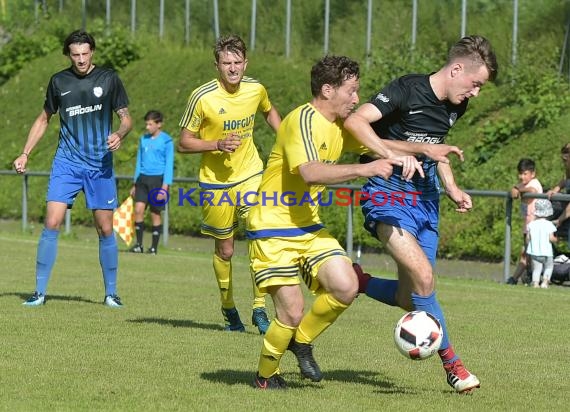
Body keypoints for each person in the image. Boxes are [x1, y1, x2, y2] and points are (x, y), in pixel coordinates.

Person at [248, 54, 453, 389]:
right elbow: (311, 173)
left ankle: (301, 341)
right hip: (271, 228)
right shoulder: (301, 120)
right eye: (352, 91)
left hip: (308, 227)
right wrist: (364, 169)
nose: (357, 99)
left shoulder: (339, 126)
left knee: (347, 285)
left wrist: (421, 151)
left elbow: (378, 144)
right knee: (292, 311)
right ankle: (266, 376)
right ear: (328, 90)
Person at [343, 35, 498, 394]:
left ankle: (359, 282)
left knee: (407, 297)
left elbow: (435, 150)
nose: (476, 93)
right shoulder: (406, 89)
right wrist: (396, 153)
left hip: (425, 200)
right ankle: (454, 367)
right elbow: (355, 124)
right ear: (457, 69)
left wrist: (452, 187)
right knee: (425, 279)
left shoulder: (456, 107)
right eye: (475, 84)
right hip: (386, 195)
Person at [12, 30, 132, 307]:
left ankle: (111, 293)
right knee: (51, 222)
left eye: (85, 53)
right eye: (75, 54)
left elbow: (126, 118)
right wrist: (25, 153)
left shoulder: (109, 79)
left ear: (92, 52)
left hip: (99, 165)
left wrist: (120, 134)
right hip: (66, 163)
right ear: (69, 54)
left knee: (104, 229)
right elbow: (44, 119)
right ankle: (39, 293)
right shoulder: (58, 81)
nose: (80, 59)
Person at [178, 34, 281, 334]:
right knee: (225, 251)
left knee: (259, 233)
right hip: (215, 183)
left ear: (245, 63)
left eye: (237, 62)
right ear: (217, 65)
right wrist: (216, 144)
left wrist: (286, 136)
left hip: (250, 173)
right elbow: (184, 142)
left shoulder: (255, 89)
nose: (233, 68)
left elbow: (268, 110)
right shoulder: (202, 97)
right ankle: (228, 309)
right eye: (227, 63)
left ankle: (259, 308)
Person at [129, 110, 174, 255]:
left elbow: (169, 165)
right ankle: (139, 245)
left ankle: (154, 248)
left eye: (150, 124)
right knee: (138, 210)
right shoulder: (143, 139)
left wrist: (165, 186)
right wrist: (135, 183)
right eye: (146, 124)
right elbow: (139, 162)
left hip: (157, 181)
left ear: (159, 124)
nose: (147, 127)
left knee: (155, 213)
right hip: (142, 179)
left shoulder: (167, 141)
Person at [506, 158, 543, 285]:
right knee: (526, 254)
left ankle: (516, 279)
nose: (522, 176)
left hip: (536, 225)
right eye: (520, 173)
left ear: (533, 174)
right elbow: (513, 193)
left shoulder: (534, 183)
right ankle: (518, 278)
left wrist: (518, 189)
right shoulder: (524, 185)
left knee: (529, 254)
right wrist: (516, 188)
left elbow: (533, 191)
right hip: (527, 226)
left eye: (525, 173)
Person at [526, 199, 557, 288]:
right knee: (549, 267)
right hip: (547, 252)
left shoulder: (531, 224)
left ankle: (535, 283)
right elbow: (551, 238)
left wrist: (528, 246)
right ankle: (545, 282)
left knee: (536, 269)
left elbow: (528, 238)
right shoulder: (549, 224)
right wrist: (556, 240)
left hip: (535, 252)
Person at [546, 143, 570, 241]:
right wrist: (555, 190)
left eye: (565, 159)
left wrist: (560, 220)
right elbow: (564, 181)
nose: (564, 162)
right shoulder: (568, 171)